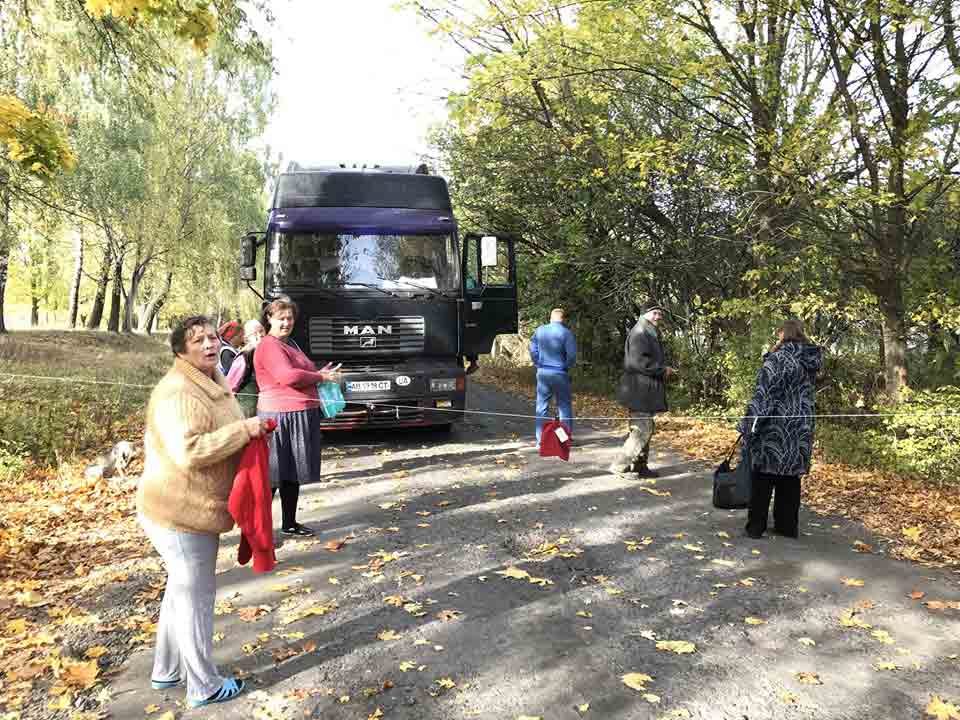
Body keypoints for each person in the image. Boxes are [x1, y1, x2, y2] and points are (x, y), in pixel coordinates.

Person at [137, 315, 272, 708]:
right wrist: (244, 431)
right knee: (194, 598)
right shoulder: (178, 390)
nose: (210, 345)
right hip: (179, 513)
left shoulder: (211, 378)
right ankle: (203, 686)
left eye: (213, 337)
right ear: (181, 350)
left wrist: (250, 429)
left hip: (190, 508)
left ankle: (166, 670)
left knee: (180, 590)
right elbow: (190, 450)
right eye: (198, 341)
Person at [254, 298, 340, 536]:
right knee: (274, 474)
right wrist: (321, 378)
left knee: (291, 474)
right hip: (280, 417)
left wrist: (320, 373)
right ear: (269, 319)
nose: (286, 322)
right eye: (281, 318)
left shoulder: (290, 343)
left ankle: (289, 523)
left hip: (298, 413)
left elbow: (303, 372)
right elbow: (287, 376)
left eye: (290, 318)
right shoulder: (269, 345)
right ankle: (257, 530)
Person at [741, 320, 822, 539]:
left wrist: (749, 424)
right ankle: (787, 527)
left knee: (763, 475)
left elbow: (764, 395)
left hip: (775, 426)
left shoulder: (777, 359)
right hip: (802, 425)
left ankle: (755, 527)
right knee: (790, 477)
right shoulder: (809, 359)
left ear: (781, 334)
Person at [610, 304, 677, 478]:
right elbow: (638, 363)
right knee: (642, 429)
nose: (658, 317)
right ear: (645, 314)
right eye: (654, 313)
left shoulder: (648, 331)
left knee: (646, 427)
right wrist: (663, 370)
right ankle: (620, 465)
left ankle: (640, 466)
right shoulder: (640, 332)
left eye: (660, 314)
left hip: (645, 388)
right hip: (638, 389)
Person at [529, 308, 577, 445]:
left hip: (543, 373)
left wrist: (537, 362)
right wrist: (566, 366)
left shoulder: (540, 330)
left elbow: (532, 349)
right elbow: (572, 355)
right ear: (563, 319)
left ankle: (541, 440)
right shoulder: (567, 333)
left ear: (551, 318)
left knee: (541, 407)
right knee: (564, 406)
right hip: (560, 373)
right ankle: (564, 440)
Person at [226, 319, 266, 418]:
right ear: (246, 339)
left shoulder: (268, 351)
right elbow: (230, 385)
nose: (259, 335)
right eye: (254, 333)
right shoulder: (244, 356)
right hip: (246, 410)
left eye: (261, 331)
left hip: (263, 408)